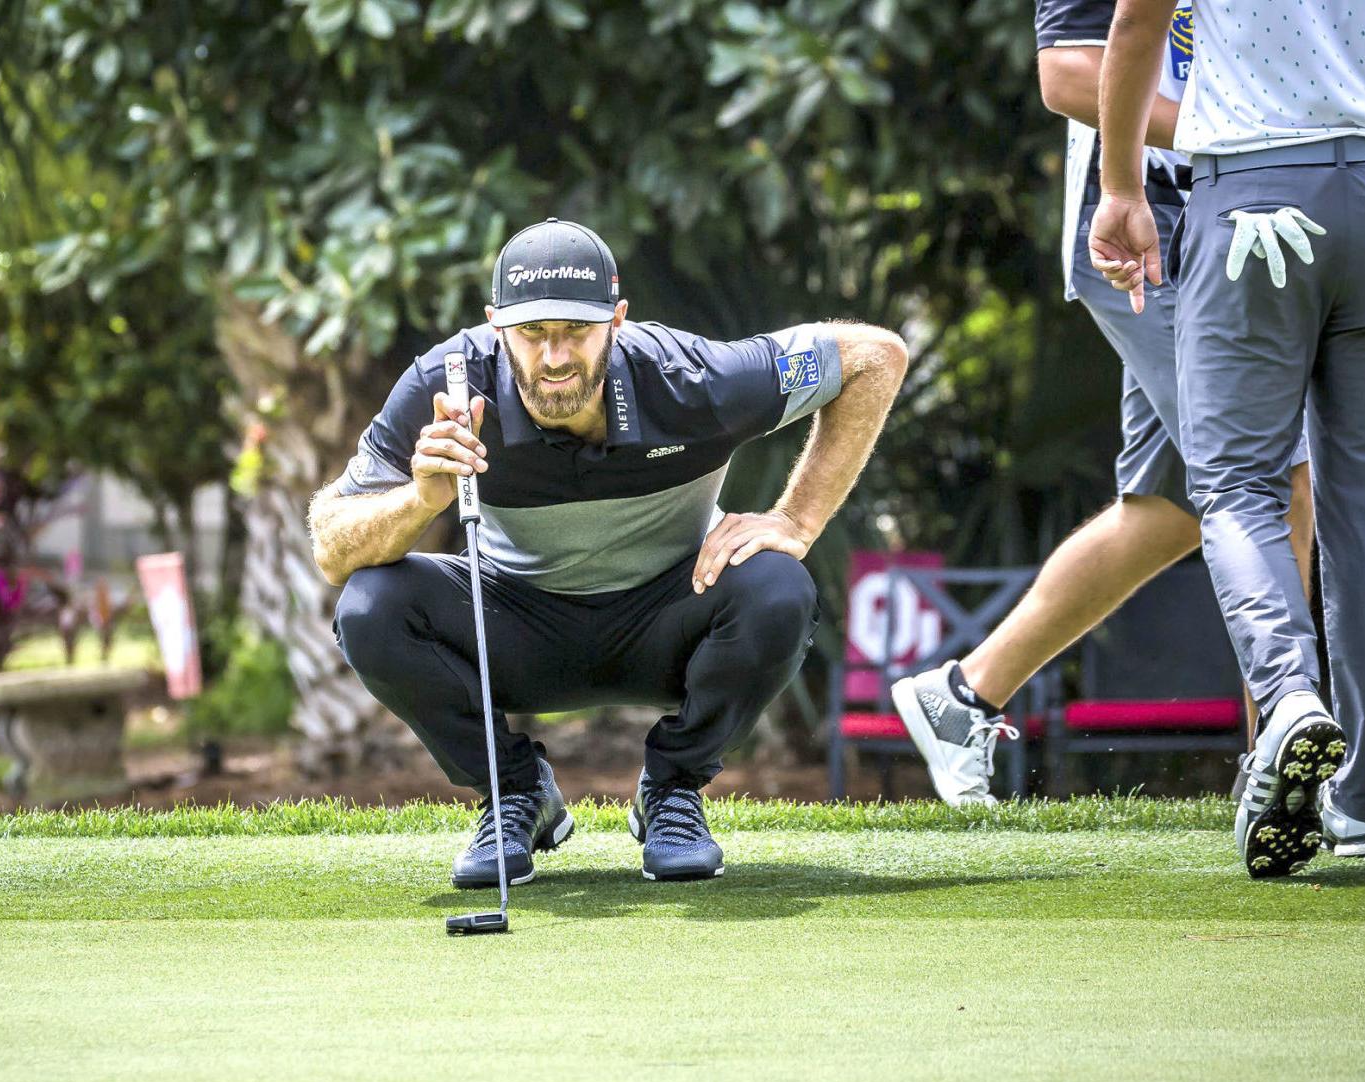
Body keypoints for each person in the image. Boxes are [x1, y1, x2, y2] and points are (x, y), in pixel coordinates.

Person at [310, 219, 906, 886]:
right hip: (516, 623)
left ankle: (672, 791)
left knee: (777, 586)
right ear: (495, 323)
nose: (554, 356)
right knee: (369, 604)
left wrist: (795, 520)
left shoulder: (692, 379)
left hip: (667, 620)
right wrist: (419, 500)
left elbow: (873, 356)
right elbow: (331, 548)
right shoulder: (445, 384)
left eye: (575, 330)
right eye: (531, 333)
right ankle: (515, 794)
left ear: (617, 321)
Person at [891, 0, 1313, 808]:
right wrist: (1236, 130)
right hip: (1141, 229)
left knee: (1177, 507)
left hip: (1240, 215)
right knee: (1274, 478)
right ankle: (1278, 771)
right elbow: (1068, 73)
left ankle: (959, 697)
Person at [1090, 0, 1363, 876]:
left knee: (1238, 486)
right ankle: (1357, 799)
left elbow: (1135, 23)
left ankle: (1285, 697)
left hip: (1251, 191)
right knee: (1356, 511)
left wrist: (1121, 187)